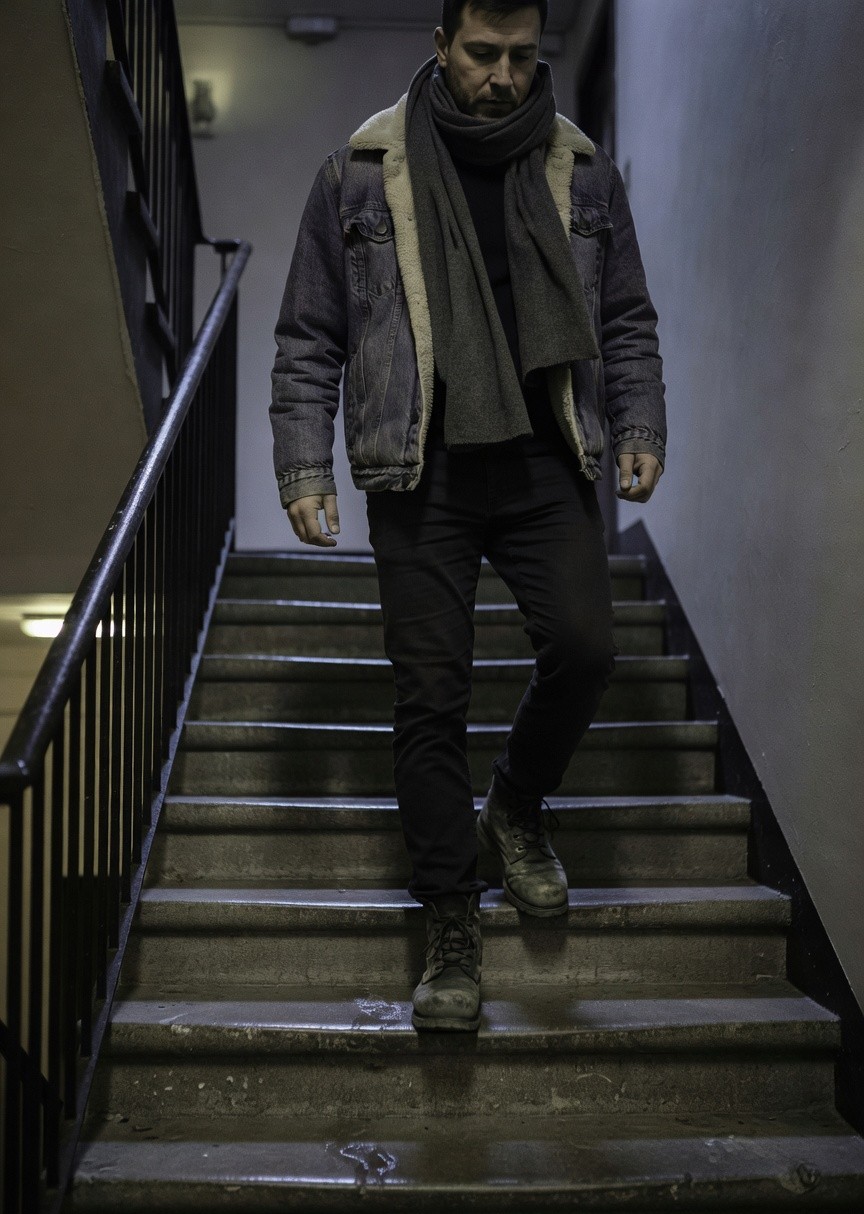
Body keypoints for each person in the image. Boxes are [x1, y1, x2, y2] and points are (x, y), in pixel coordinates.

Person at [269, 0, 667, 1034]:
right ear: (441, 47)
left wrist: (642, 422)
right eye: (483, 55)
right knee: (429, 700)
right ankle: (451, 925)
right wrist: (304, 466)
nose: (503, 76)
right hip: (422, 467)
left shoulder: (581, 170)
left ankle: (517, 808)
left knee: (584, 650)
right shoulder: (359, 170)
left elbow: (625, 316)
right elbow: (310, 332)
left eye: (523, 58)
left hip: (546, 456)